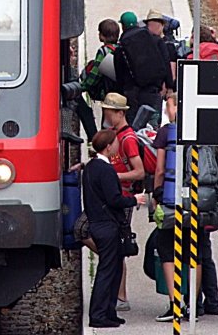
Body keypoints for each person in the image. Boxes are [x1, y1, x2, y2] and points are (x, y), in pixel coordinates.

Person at [152, 93, 218, 322]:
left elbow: (160, 169)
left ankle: (175, 305)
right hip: (197, 201)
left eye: (169, 106)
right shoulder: (202, 131)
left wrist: (156, 196)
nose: (167, 111)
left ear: (177, 108)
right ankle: (192, 304)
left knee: (167, 251)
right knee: (196, 253)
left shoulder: (166, 132)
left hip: (172, 201)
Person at [83, 129, 146, 328]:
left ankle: (109, 312)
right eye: (116, 143)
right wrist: (134, 199)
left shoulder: (91, 167)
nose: (118, 146)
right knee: (107, 271)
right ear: (109, 147)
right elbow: (114, 199)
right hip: (107, 225)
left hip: (97, 222)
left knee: (114, 268)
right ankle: (98, 315)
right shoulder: (106, 170)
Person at [115, 9, 174, 127]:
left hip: (131, 93)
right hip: (153, 91)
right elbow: (166, 63)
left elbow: (119, 75)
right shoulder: (156, 40)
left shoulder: (121, 47)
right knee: (152, 127)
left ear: (123, 26)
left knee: (133, 126)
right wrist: (169, 86)